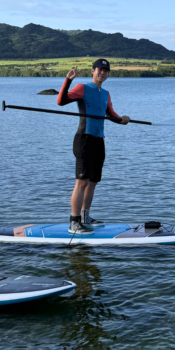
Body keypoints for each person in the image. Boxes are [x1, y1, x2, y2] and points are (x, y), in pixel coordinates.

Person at [56, 58, 130, 233]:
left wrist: (123, 120)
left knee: (93, 182)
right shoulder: (82, 88)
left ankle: (84, 216)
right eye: (100, 69)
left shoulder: (105, 93)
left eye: (106, 70)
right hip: (84, 140)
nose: (103, 73)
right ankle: (74, 223)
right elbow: (60, 101)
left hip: (99, 140)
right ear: (93, 71)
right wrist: (68, 80)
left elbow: (111, 115)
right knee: (82, 182)